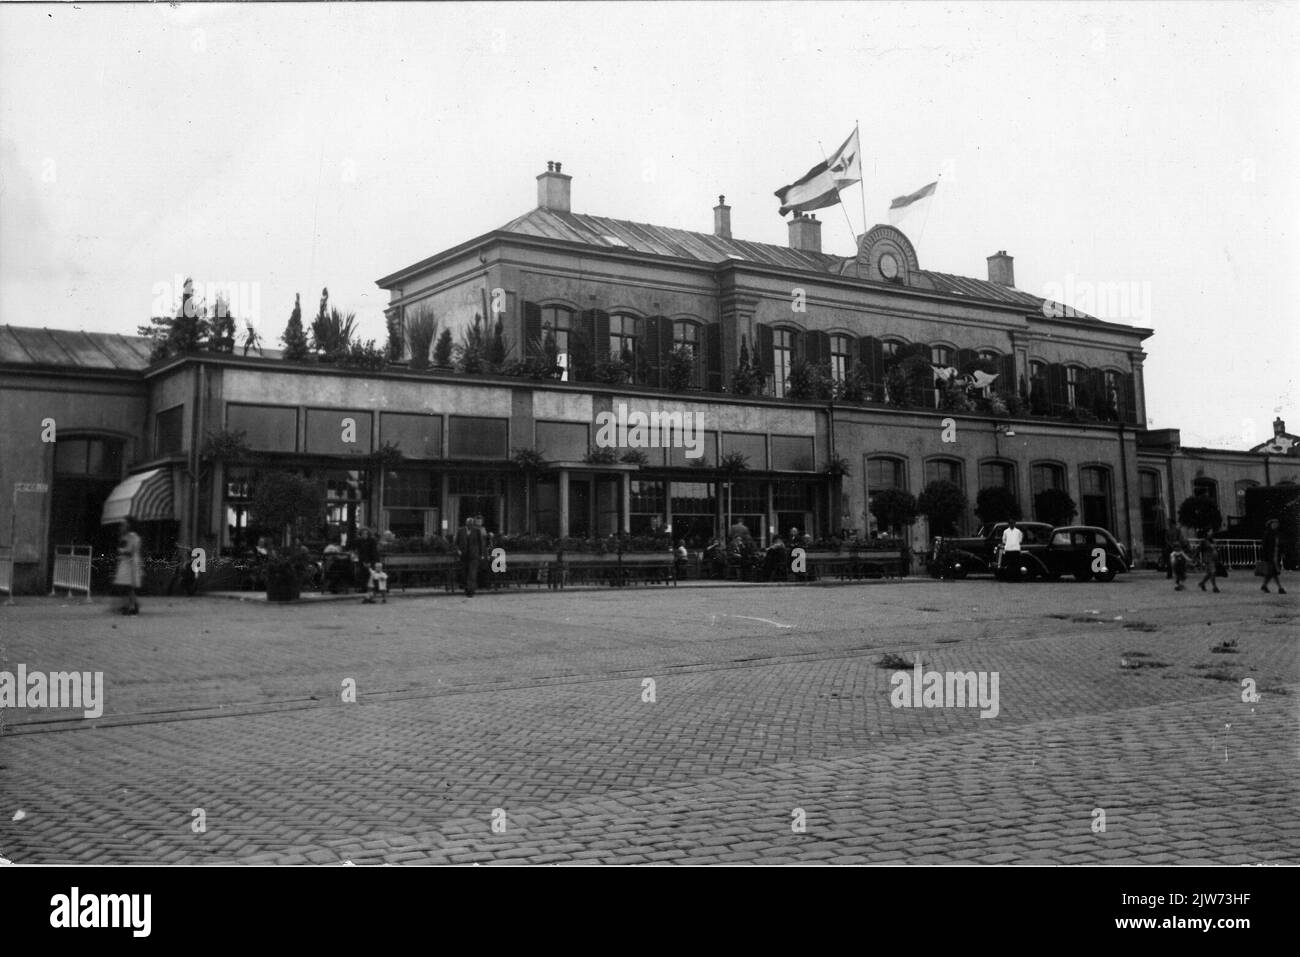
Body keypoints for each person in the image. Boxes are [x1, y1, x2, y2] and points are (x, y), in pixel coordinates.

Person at [113, 517, 142, 615]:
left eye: (124, 525)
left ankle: (131, 606)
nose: (122, 527)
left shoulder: (132, 537)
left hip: (130, 564)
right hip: (127, 563)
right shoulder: (126, 536)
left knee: (128, 586)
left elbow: (129, 551)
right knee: (127, 586)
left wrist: (121, 551)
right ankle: (132, 605)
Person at [455, 514, 488, 597]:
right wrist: (458, 550)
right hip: (464, 555)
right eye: (468, 523)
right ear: (466, 524)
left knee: (472, 574)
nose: (470, 525)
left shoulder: (477, 531)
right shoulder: (461, 531)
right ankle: (467, 589)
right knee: (465, 573)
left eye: (471, 523)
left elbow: (480, 544)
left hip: (474, 556)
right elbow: (456, 543)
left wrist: (481, 554)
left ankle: (471, 591)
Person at [1261, 518, 1286, 594]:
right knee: (1273, 572)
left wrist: (1282, 552)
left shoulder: (1277, 533)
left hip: (1275, 555)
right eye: (1274, 523)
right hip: (1271, 556)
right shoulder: (1268, 533)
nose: (1276, 525)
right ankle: (1280, 588)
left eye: (1277, 523)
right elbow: (1265, 546)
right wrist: (1265, 556)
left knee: (1271, 573)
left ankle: (1264, 585)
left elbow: (1279, 545)